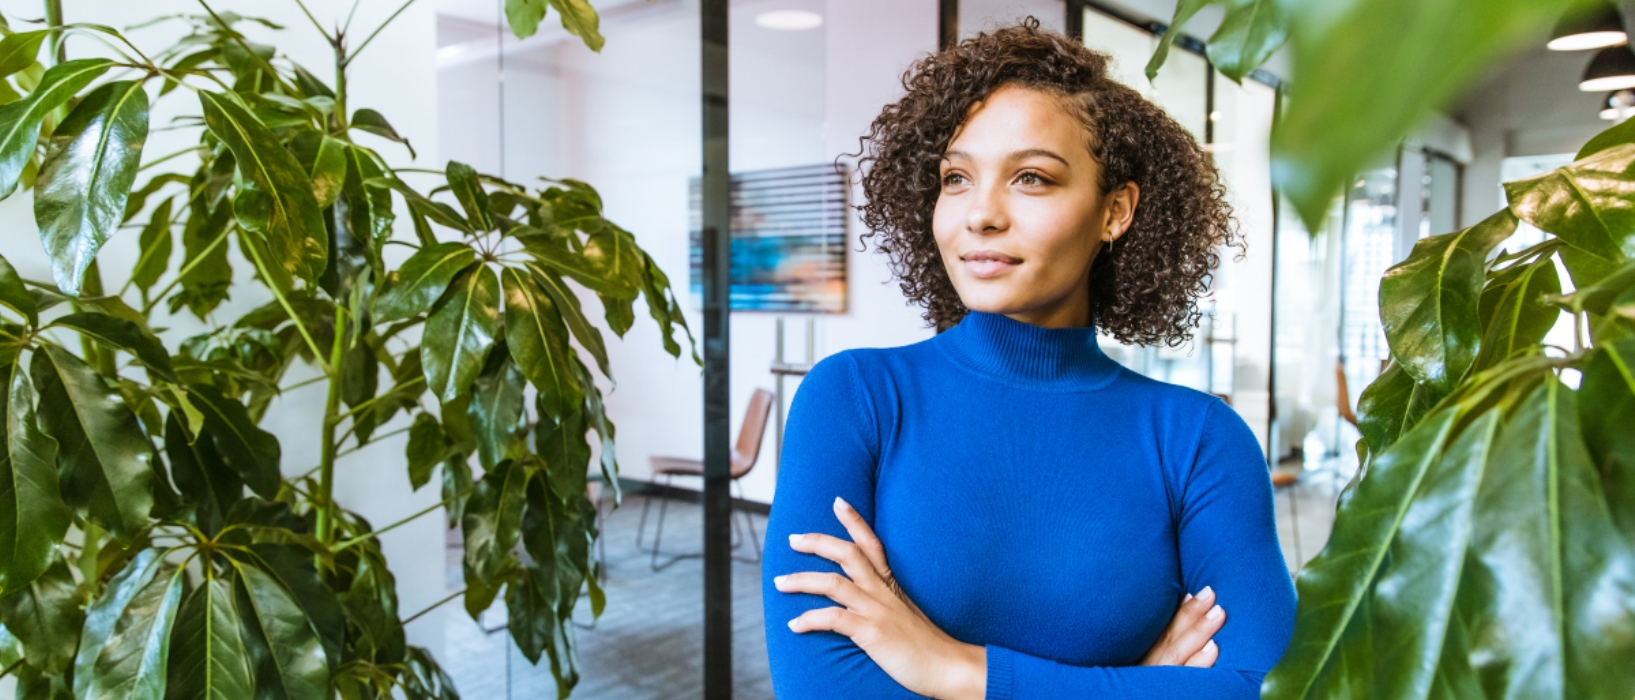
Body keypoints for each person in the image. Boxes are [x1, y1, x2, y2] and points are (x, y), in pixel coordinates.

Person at [760, 18, 1297, 700]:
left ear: (1115, 211)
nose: (980, 214)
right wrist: (1130, 686)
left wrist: (956, 670)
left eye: (1032, 178)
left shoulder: (1197, 440)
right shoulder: (856, 397)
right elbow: (821, 690)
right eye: (956, 178)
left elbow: (1262, 686)